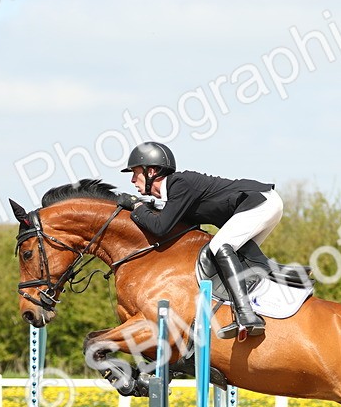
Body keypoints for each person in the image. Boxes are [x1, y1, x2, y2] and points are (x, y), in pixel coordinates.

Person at [119, 141, 284, 339]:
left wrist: (137, 207)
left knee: (220, 246)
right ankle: (286, 276)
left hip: (258, 202)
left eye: (135, 172)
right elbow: (175, 225)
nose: (132, 180)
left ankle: (246, 315)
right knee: (240, 258)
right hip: (264, 203)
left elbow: (160, 227)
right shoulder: (176, 194)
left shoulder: (178, 184)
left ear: (151, 171)